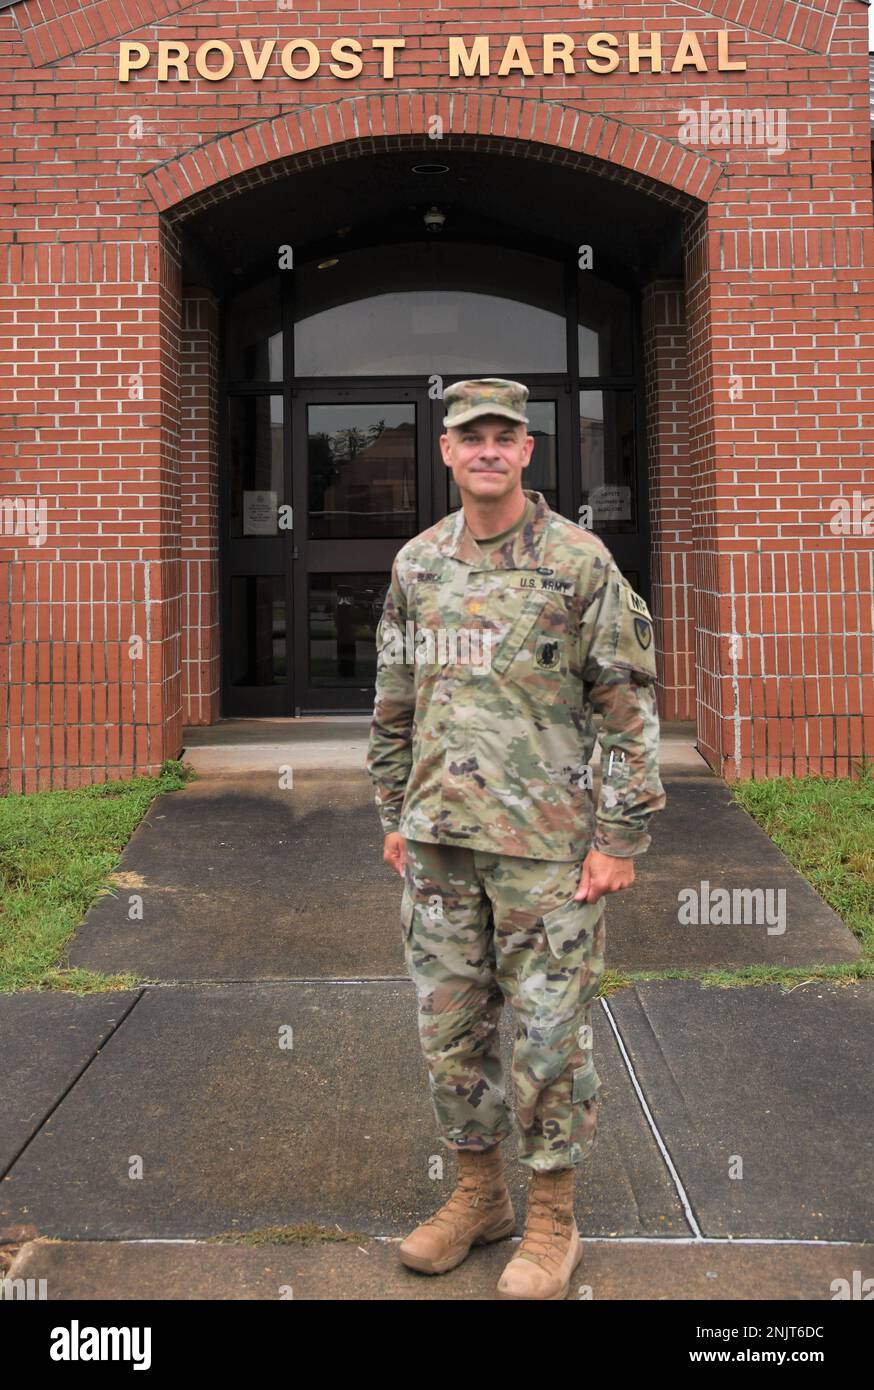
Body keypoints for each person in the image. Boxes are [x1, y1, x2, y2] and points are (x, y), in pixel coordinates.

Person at [366, 377, 665, 1300]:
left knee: (547, 1041)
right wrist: (392, 815)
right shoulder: (418, 564)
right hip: (441, 845)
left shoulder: (578, 562)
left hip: (549, 854)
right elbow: (393, 700)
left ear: (528, 452)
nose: (488, 449)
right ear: (447, 453)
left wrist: (619, 837)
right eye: (470, 436)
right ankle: (478, 1199)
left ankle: (551, 1224)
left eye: (505, 435)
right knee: (449, 1035)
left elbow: (627, 709)